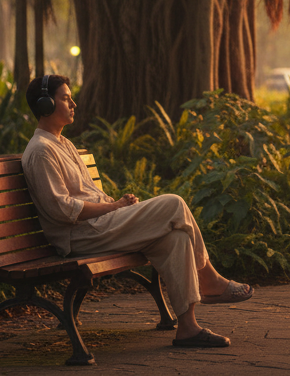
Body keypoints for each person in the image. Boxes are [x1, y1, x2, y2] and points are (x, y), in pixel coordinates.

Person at [21, 74, 252, 348]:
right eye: (65, 98)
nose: (73, 103)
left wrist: (117, 203)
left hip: (101, 226)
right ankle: (211, 280)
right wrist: (113, 207)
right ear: (46, 105)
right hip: (81, 236)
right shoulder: (41, 151)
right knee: (174, 203)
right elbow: (62, 209)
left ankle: (188, 328)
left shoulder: (63, 144)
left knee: (174, 239)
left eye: (71, 98)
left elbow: (86, 194)